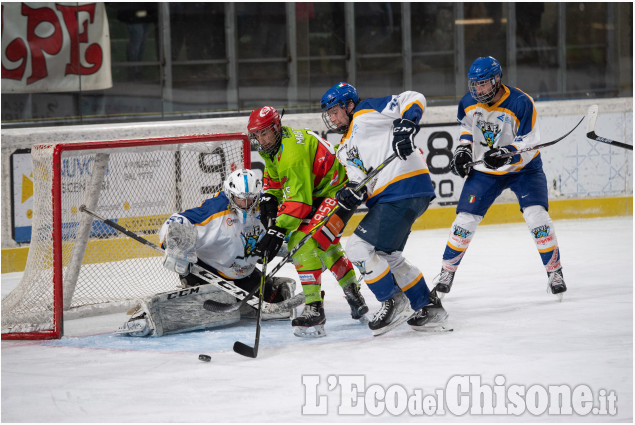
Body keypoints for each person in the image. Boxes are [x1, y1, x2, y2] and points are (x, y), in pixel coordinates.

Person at [320, 82, 448, 336]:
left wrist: (406, 125)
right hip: (397, 194)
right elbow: (362, 183)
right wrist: (351, 194)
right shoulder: (343, 149)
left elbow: (414, 96)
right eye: (330, 115)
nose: (333, 118)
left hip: (403, 186)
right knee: (388, 256)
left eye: (336, 111)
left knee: (357, 248)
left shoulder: (367, 111)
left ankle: (394, 301)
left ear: (349, 105)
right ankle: (429, 307)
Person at [436, 56, 567, 299]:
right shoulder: (467, 102)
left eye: (483, 84)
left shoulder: (520, 102)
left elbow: (529, 143)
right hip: (486, 172)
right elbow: (466, 128)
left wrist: (507, 153)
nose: (478, 89)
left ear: (497, 80)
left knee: (537, 216)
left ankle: (554, 271)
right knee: (464, 220)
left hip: (523, 170)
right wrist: (464, 149)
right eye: (475, 84)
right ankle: (446, 272)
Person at [117, 169, 297, 337]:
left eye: (251, 199)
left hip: (244, 272)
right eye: (240, 199)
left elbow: (283, 230)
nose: (246, 204)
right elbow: (177, 221)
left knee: (273, 302)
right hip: (208, 273)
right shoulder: (215, 210)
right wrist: (177, 246)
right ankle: (144, 317)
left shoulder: (265, 209)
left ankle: (270, 287)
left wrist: (291, 247)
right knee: (212, 308)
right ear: (230, 194)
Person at [248, 106, 368, 338]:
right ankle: (353, 294)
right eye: (257, 135)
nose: (260, 139)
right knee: (326, 245)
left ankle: (314, 309)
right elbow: (274, 177)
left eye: (264, 133)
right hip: (322, 192)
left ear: (276, 127)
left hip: (338, 192)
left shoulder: (291, 153)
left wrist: (277, 231)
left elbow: (299, 203)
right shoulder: (274, 147)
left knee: (300, 241)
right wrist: (269, 197)